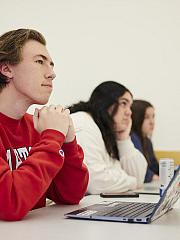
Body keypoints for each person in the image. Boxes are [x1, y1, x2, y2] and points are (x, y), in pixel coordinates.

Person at [0, 29, 89, 221]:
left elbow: (70, 195)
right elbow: (10, 203)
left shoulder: (37, 125)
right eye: (40, 62)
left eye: (51, 65)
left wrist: (68, 141)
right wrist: (51, 136)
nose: (52, 74)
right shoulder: (44, 130)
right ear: (7, 69)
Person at [68, 81, 147, 194]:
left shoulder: (105, 130)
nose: (129, 112)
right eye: (124, 103)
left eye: (130, 106)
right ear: (106, 103)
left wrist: (123, 139)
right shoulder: (83, 123)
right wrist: (132, 182)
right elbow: (96, 183)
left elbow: (139, 176)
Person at [131, 100, 159, 183]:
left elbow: (155, 167)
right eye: (146, 117)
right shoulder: (131, 138)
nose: (152, 122)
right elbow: (142, 172)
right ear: (136, 118)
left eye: (153, 116)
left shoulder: (147, 141)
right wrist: (153, 177)